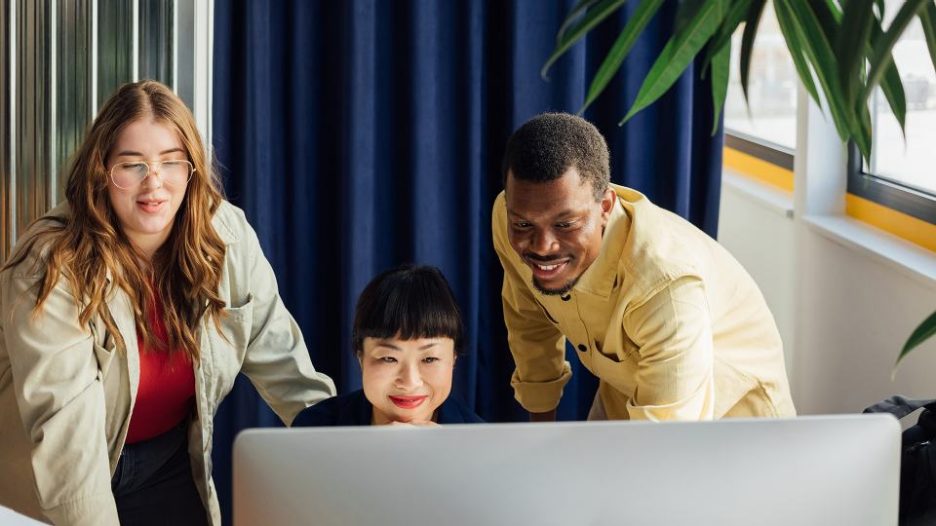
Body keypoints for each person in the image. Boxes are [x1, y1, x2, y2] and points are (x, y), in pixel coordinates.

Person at [0, 80, 336, 526]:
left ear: (192, 167)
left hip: (164, 464)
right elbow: (68, 439)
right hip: (53, 481)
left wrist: (351, 455)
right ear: (101, 171)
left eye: (171, 162)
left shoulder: (227, 237)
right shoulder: (51, 265)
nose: (154, 183)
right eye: (132, 164)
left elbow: (287, 368)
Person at [492, 112, 795, 422]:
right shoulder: (507, 215)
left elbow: (664, 442)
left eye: (566, 224)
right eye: (524, 223)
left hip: (734, 420)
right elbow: (528, 322)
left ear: (605, 208)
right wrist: (541, 437)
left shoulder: (666, 288)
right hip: (628, 388)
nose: (543, 246)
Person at [293, 265, 482, 426]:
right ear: (361, 357)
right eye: (389, 358)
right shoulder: (313, 429)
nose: (409, 382)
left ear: (454, 358)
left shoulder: (481, 446)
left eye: (429, 359)